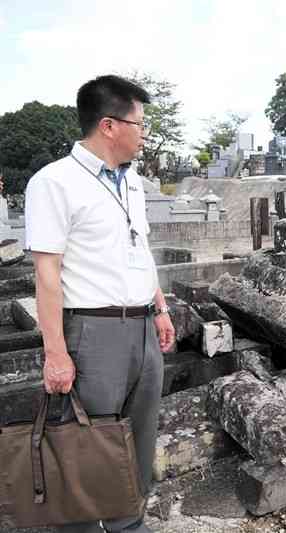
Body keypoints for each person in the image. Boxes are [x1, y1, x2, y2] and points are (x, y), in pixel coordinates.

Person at [24, 75, 175, 533]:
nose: (145, 133)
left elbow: (137, 248)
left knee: (137, 442)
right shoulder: (54, 182)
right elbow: (47, 274)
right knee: (85, 446)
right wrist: (55, 352)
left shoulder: (132, 183)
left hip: (142, 328)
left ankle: (130, 525)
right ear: (109, 125)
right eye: (140, 123)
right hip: (92, 333)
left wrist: (160, 306)